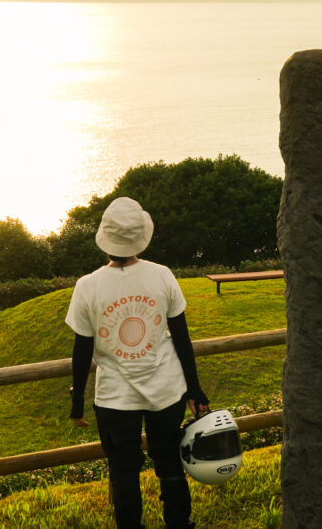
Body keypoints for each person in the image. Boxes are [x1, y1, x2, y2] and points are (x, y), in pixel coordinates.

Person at [66, 196, 209, 529]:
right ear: (142, 237)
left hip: (115, 397)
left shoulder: (87, 287)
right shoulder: (162, 276)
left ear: (105, 238)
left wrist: (76, 401)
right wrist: (195, 388)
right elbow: (182, 339)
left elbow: (82, 349)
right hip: (166, 389)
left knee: (123, 472)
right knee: (170, 465)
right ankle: (179, 524)